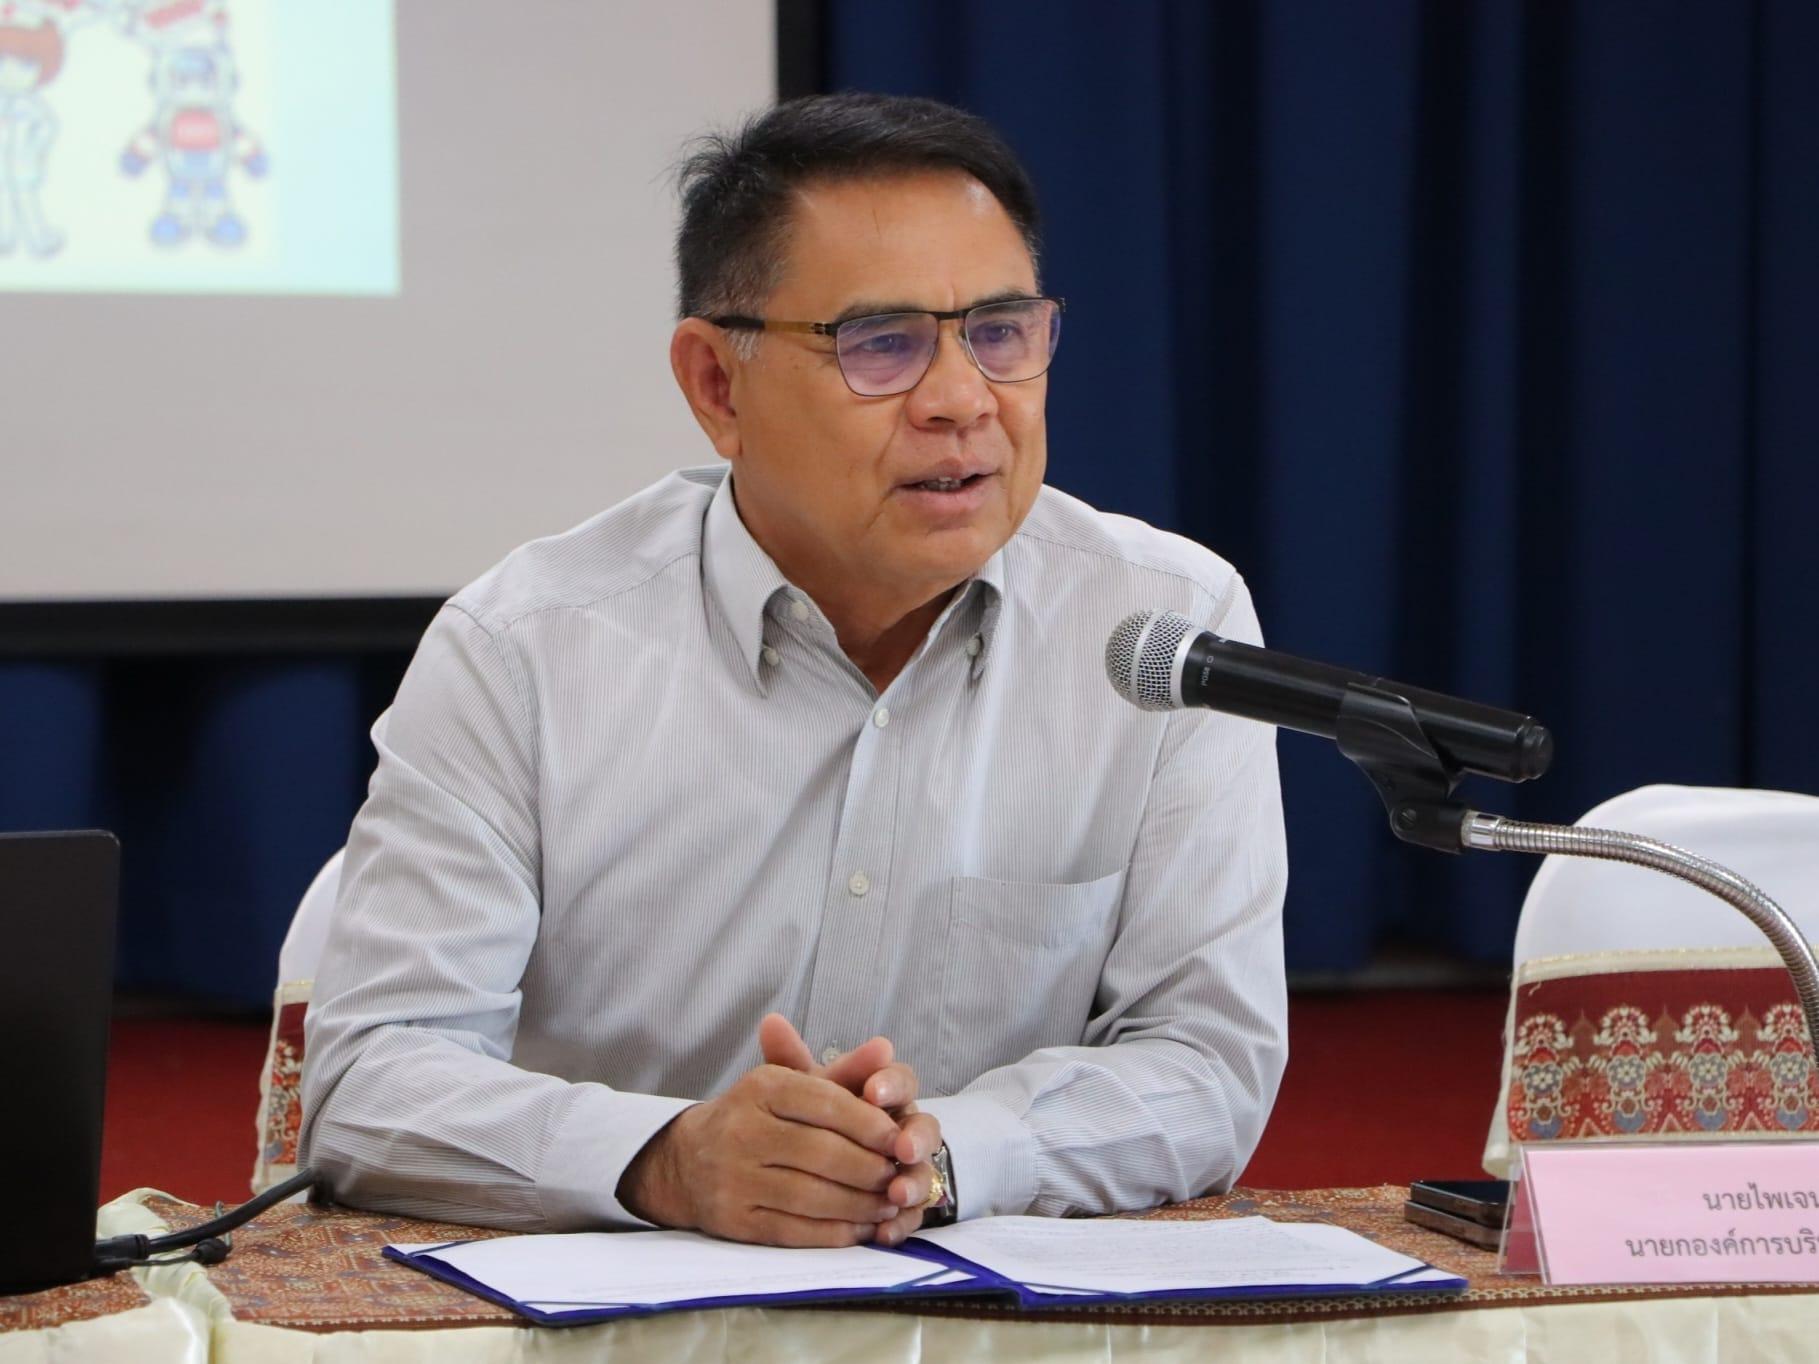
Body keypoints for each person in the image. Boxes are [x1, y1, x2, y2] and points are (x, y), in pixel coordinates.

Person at [300, 92, 1287, 1249]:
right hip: (615, 1310)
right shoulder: (525, 649)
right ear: (717, 386)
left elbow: (1205, 1058)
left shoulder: (1166, 627)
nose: (961, 399)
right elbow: (371, 1079)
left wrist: (945, 1154)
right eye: (883, 344)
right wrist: (668, 1158)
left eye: (1000, 331)